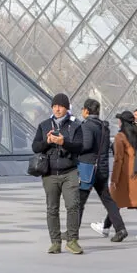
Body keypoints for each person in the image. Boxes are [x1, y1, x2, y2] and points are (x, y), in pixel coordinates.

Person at [32, 92, 83, 254]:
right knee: (52, 208)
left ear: (67, 108)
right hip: (50, 173)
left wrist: (63, 142)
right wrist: (47, 142)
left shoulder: (75, 125)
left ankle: (72, 240)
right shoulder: (44, 125)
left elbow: (80, 146)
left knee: (73, 206)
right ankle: (55, 242)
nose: (57, 109)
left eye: (60, 106)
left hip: (70, 171)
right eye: (54, 106)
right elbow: (35, 147)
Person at [75, 100, 126, 243]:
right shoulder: (104, 127)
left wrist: (75, 149)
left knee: (79, 201)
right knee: (108, 200)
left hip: (89, 168)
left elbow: (86, 145)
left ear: (86, 111)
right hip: (102, 168)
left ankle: (73, 232)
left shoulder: (86, 126)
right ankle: (120, 228)